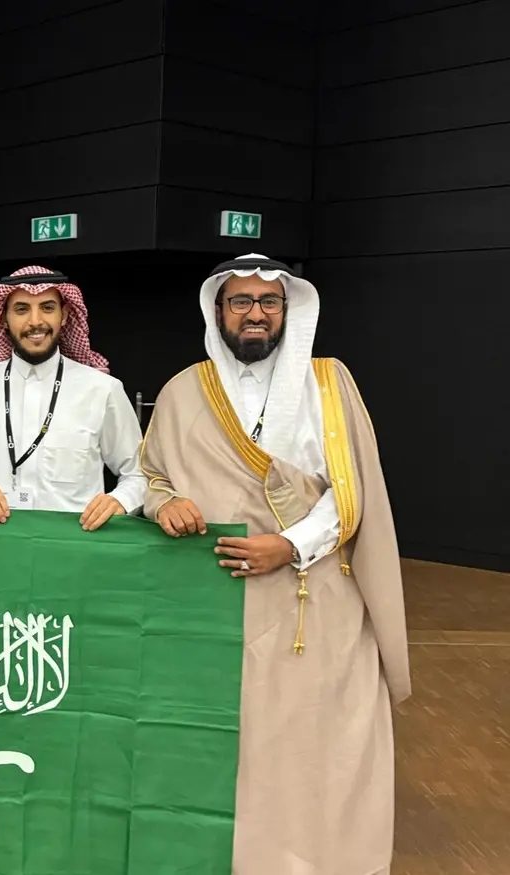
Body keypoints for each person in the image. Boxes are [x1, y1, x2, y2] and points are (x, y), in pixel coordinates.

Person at [138, 253, 411, 874]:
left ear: (289, 310)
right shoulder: (183, 390)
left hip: (314, 598)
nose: (255, 313)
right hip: (213, 600)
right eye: (241, 301)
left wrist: (289, 545)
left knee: (318, 743)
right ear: (219, 310)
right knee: (233, 743)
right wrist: (166, 504)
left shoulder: (329, 383)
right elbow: (151, 475)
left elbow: (353, 491)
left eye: (269, 302)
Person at [0, 265, 147, 530]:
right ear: (3, 319)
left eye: (47, 308)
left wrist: (119, 501)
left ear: (65, 316)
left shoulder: (103, 389)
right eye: (21, 309)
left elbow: (140, 473)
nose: (35, 321)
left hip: (74, 544)